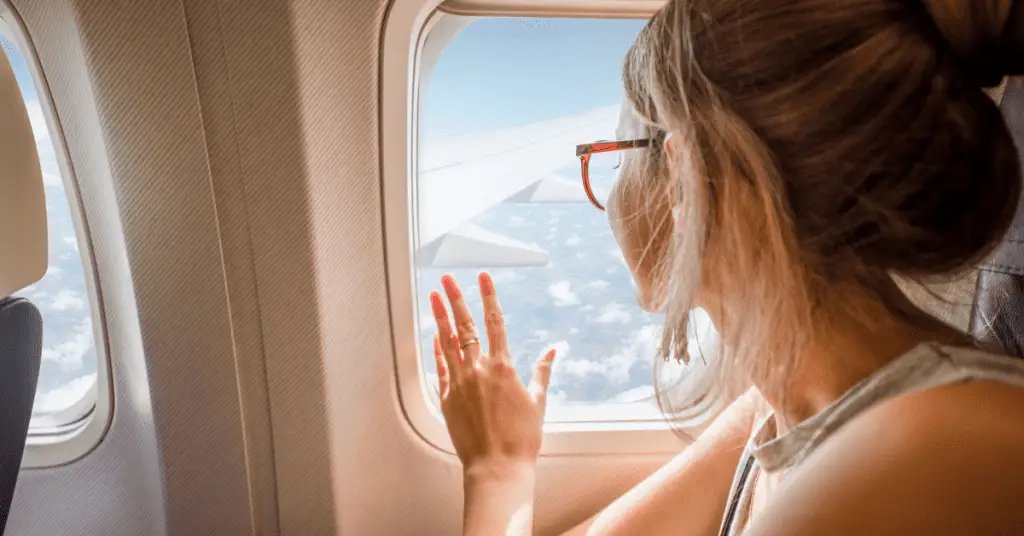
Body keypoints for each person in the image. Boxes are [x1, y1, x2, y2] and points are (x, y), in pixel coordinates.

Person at [427, 0, 1024, 534]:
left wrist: (494, 481)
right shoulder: (783, 402)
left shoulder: (924, 443)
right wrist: (500, 468)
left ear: (687, 180)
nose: (610, 200)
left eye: (615, 160)